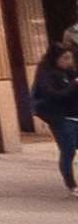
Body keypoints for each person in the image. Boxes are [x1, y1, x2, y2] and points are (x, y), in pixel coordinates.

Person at [31, 23, 78, 191]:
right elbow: (53, 95)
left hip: (74, 113)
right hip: (59, 116)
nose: (69, 62)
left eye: (70, 58)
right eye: (65, 58)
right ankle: (71, 184)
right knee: (68, 148)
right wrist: (73, 86)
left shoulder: (70, 71)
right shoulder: (47, 73)